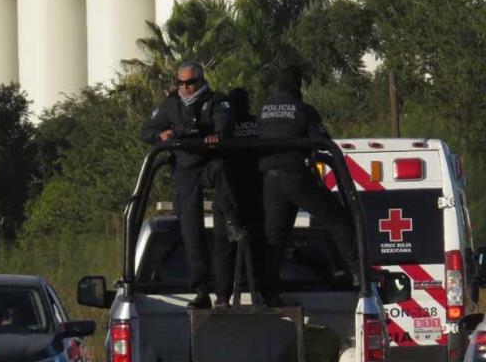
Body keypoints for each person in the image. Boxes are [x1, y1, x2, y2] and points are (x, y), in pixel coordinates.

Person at [140, 61, 240, 309]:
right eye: (181, 83)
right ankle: (201, 291)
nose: (185, 88)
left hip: (208, 165)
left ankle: (224, 292)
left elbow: (224, 124)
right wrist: (160, 136)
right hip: (184, 171)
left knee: (223, 235)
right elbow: (146, 130)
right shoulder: (170, 105)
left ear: (201, 80)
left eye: (190, 82)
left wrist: (215, 135)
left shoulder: (216, 101)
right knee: (191, 235)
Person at [257, 65, 359, 304]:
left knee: (275, 237)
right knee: (336, 217)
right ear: (298, 85)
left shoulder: (262, 110)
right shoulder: (303, 110)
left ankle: (268, 291)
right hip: (296, 176)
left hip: (270, 181)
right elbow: (322, 140)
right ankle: (357, 271)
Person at [211, 87, 267, 306]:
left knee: (224, 248)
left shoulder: (223, 127)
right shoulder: (258, 125)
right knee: (258, 245)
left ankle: (223, 297)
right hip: (254, 193)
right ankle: (263, 291)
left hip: (227, 196)